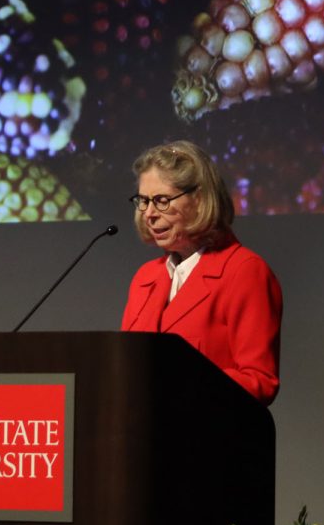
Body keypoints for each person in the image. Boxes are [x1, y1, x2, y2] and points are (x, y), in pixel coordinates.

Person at [121, 140, 283, 406]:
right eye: (143, 201)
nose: (149, 213)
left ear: (199, 198)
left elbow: (260, 381)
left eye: (161, 200)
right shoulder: (145, 278)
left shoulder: (243, 271)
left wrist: (184, 382)